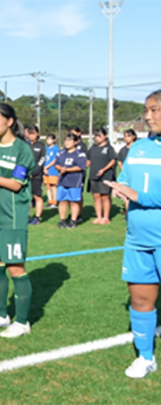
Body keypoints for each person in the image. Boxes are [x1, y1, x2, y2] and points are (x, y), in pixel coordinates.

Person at [105, 89, 161, 378]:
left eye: (154, 110)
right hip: (138, 241)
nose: (147, 116)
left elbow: (138, 191)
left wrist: (138, 195)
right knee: (140, 300)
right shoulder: (138, 148)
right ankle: (146, 357)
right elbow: (125, 180)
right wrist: (121, 191)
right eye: (146, 110)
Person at [0, 103, 35, 338]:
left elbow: (15, 184)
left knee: (15, 268)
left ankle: (22, 322)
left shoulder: (23, 149)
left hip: (12, 218)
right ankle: (1, 315)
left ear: (10, 121)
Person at [54, 134, 87, 229]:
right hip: (62, 181)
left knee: (73, 202)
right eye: (66, 140)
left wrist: (66, 170)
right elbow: (56, 164)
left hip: (74, 182)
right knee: (62, 201)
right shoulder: (61, 153)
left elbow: (80, 167)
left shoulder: (80, 154)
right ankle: (62, 220)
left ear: (75, 142)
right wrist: (61, 168)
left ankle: (73, 221)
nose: (66, 142)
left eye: (69, 140)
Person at [87, 127, 117, 224]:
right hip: (93, 175)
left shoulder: (109, 148)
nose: (97, 138)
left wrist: (103, 170)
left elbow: (113, 160)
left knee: (105, 196)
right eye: (96, 136)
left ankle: (106, 217)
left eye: (99, 136)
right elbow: (88, 160)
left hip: (106, 176)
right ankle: (98, 216)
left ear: (105, 136)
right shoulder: (93, 148)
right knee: (96, 196)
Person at [26, 125, 46, 225]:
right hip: (26, 175)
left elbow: (42, 160)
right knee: (27, 197)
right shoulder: (26, 146)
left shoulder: (41, 146)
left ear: (37, 134)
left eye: (33, 133)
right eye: (29, 134)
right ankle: (28, 216)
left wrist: (34, 172)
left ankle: (37, 217)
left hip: (37, 176)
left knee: (37, 196)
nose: (31, 136)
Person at [43, 133, 60, 208]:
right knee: (47, 186)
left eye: (50, 139)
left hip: (52, 170)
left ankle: (54, 201)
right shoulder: (45, 148)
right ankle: (50, 201)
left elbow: (55, 160)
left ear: (54, 140)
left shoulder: (56, 149)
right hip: (45, 170)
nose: (48, 141)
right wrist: (44, 168)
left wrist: (47, 167)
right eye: (47, 139)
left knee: (53, 186)